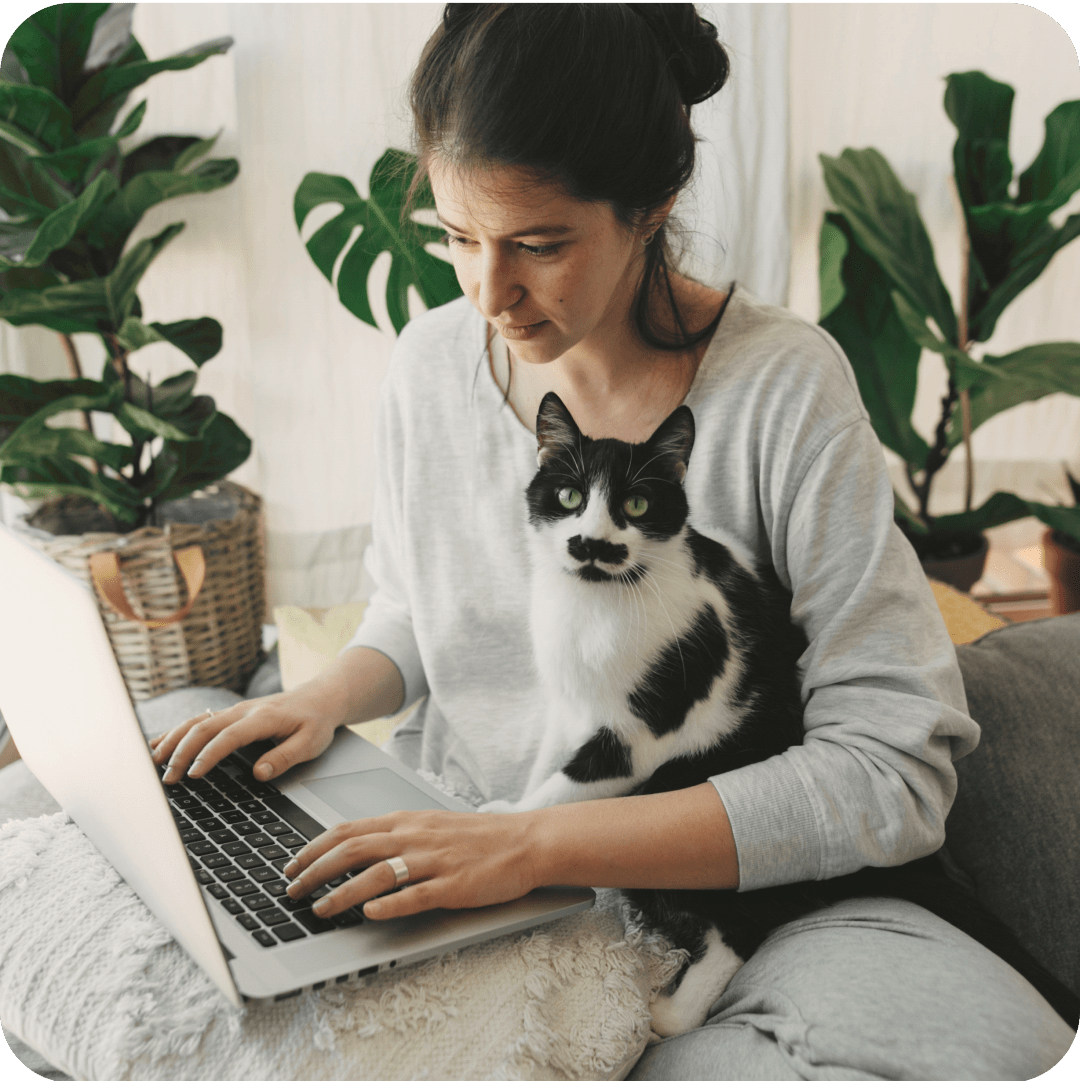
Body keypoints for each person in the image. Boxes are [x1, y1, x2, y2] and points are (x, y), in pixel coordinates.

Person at [150, 5, 1074, 1077]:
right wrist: (315, 701)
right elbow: (414, 611)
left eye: (539, 246)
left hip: (705, 896)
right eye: (457, 237)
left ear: (653, 207)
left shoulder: (782, 388)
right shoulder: (428, 366)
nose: (490, 294)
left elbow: (890, 772)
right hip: (459, 854)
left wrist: (533, 844)